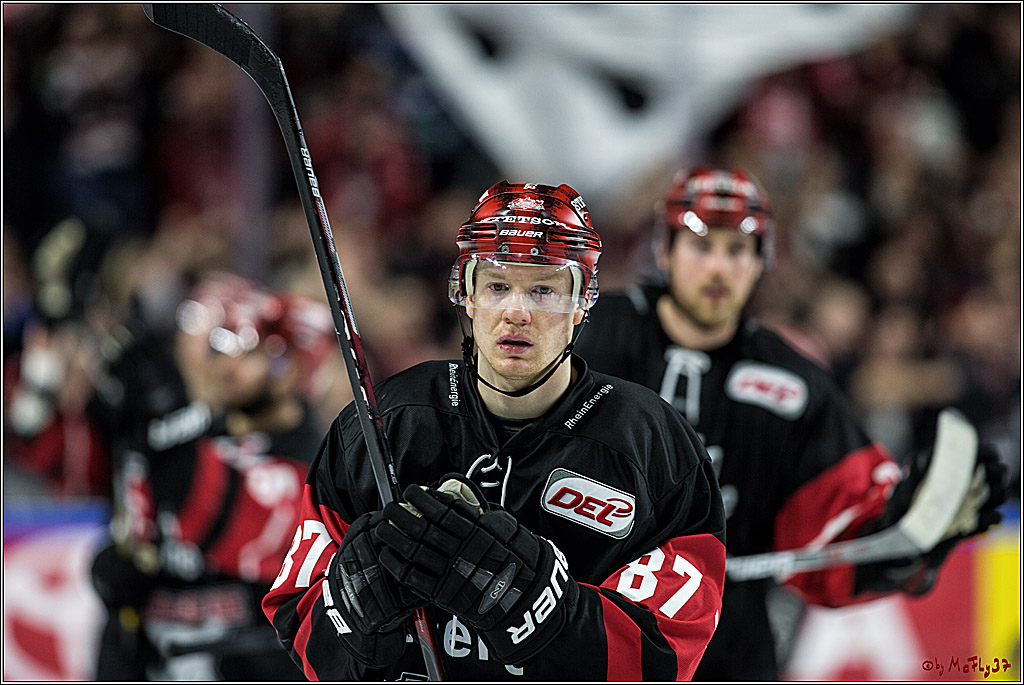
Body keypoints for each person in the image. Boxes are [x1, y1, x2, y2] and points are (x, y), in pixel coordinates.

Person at [262, 181, 728, 681]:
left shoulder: (650, 441)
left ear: (582, 302)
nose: (516, 311)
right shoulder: (386, 422)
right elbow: (303, 633)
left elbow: (662, 659)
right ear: (465, 293)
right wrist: (353, 607)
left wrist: (532, 605)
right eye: (497, 286)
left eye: (544, 289)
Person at [572, 166, 1008, 680]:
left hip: (725, 652)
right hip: (579, 629)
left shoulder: (794, 385)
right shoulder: (586, 335)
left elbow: (842, 531)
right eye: (700, 245)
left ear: (762, 262)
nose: (718, 267)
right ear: (665, 251)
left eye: (737, 250)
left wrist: (909, 533)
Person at [87, 271, 337, 681]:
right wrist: (113, 567)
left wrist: (164, 415)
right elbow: (138, 532)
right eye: (225, 346)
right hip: (153, 663)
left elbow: (216, 515)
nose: (228, 364)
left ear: (293, 368)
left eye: (252, 350)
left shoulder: (320, 463)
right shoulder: (193, 441)